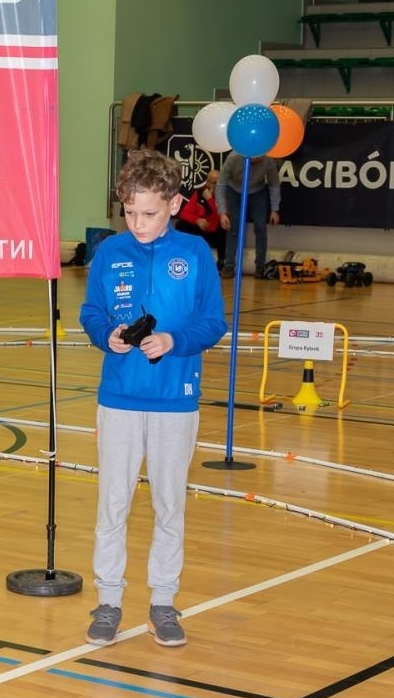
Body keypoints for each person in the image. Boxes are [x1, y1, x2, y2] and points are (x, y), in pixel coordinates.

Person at [79, 149, 229, 648]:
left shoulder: (195, 255)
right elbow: (91, 311)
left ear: (174, 204)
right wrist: (108, 335)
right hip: (118, 398)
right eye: (129, 212)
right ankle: (108, 601)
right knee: (112, 503)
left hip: (175, 401)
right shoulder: (109, 253)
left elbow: (213, 322)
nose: (138, 223)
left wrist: (174, 341)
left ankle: (163, 601)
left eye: (149, 213)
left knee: (169, 505)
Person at [217, 152, 281, 277]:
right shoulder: (233, 158)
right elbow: (221, 185)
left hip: (257, 190)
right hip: (234, 189)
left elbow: (274, 185)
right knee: (233, 226)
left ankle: (260, 266)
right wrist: (222, 212)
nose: (257, 158)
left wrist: (275, 209)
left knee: (260, 226)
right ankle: (229, 265)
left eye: (260, 155)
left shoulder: (268, 160)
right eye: (254, 155)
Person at [175, 166, 226, 276]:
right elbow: (184, 213)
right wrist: (197, 220)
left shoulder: (224, 195)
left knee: (223, 226)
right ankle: (178, 256)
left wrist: (210, 199)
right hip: (201, 231)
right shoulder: (199, 193)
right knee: (181, 224)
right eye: (212, 182)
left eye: (217, 182)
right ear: (207, 182)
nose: (214, 185)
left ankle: (222, 263)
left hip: (214, 233)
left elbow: (220, 216)